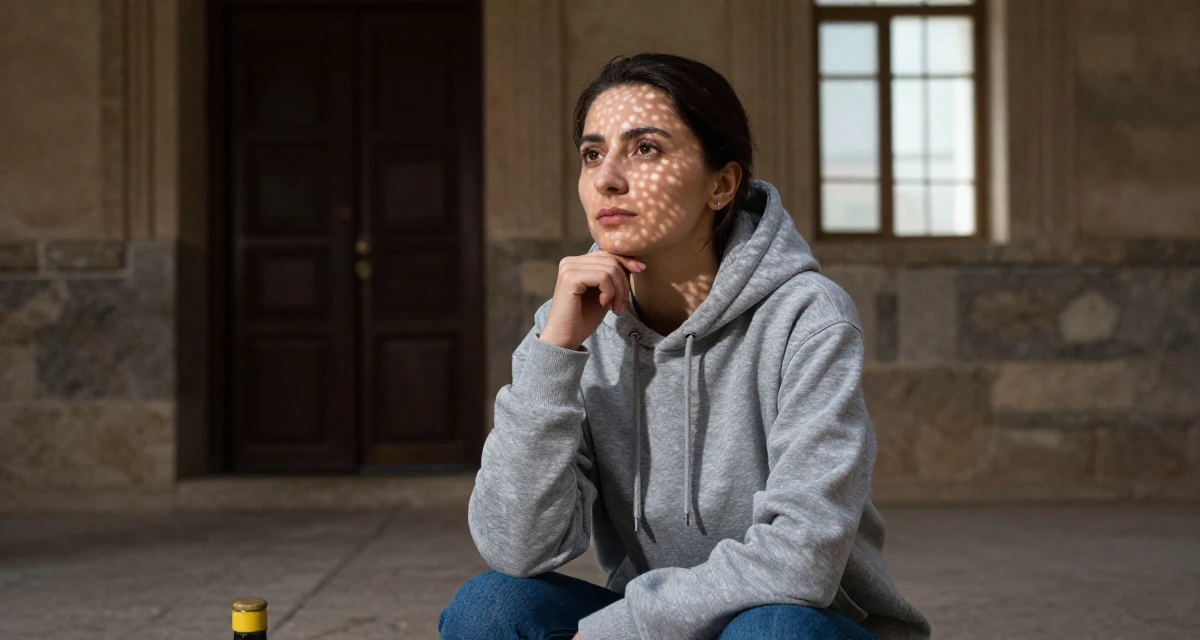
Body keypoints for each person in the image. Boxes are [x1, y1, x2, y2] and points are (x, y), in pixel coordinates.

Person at [439, 53, 931, 640]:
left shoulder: (806, 316)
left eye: (645, 148)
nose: (607, 178)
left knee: (771, 631)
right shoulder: (571, 326)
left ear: (721, 184)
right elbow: (516, 547)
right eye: (593, 154)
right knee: (490, 607)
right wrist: (556, 352)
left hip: (806, 624)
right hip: (660, 627)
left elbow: (799, 562)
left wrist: (611, 632)